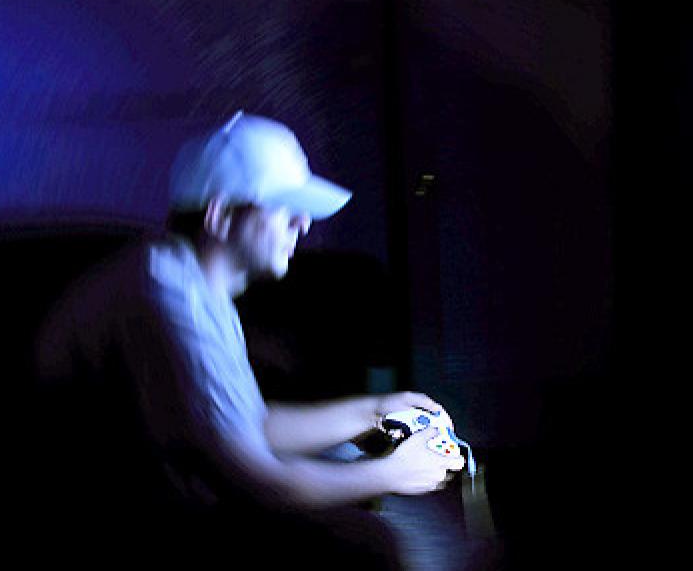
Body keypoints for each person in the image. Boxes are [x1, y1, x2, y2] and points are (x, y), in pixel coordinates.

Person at [33, 111, 462, 560]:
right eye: (284, 207)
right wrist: (393, 474)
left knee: (352, 470)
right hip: (127, 518)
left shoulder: (191, 281)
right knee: (379, 535)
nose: (304, 224)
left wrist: (373, 412)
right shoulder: (171, 300)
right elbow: (262, 484)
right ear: (220, 216)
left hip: (176, 495)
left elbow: (247, 426)